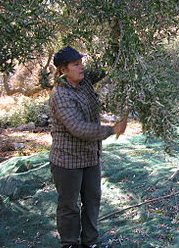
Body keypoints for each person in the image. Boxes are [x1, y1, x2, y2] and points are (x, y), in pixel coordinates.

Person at [49, 46, 127, 248]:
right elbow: (78, 128)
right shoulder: (60, 94)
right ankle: (69, 244)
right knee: (69, 206)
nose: (82, 67)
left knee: (92, 201)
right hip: (67, 161)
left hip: (91, 157)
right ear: (63, 71)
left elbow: (109, 64)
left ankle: (90, 242)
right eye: (76, 64)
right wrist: (112, 129)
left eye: (81, 62)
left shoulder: (84, 83)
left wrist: (120, 40)